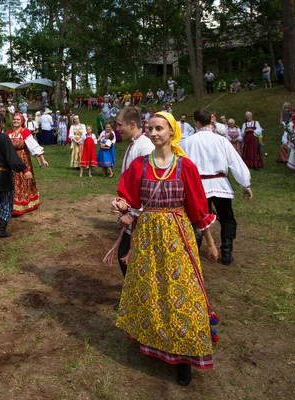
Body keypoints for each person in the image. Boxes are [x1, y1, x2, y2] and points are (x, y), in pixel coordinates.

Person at [110, 111, 219, 386]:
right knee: (149, 288)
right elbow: (128, 198)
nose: (155, 133)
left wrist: (210, 243)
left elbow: (197, 208)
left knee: (182, 290)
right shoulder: (139, 165)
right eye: (151, 128)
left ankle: (184, 357)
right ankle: (151, 339)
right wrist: (121, 205)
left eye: (160, 128)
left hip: (177, 237)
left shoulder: (186, 167)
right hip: (146, 236)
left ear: (172, 132)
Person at [183, 108, 253, 265]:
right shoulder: (222, 141)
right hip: (220, 185)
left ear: (197, 122)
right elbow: (236, 162)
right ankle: (226, 252)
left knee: (198, 217)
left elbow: (181, 165)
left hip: (198, 187)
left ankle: (195, 248)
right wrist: (245, 184)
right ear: (210, 121)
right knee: (227, 217)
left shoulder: (187, 142)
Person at [103, 107, 154, 292]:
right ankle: (136, 297)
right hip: (132, 212)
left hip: (141, 216)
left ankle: (138, 298)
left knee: (129, 256)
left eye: (120, 125)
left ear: (132, 124)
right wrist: (122, 203)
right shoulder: (135, 145)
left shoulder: (145, 147)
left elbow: (150, 187)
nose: (118, 130)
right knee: (128, 256)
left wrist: (133, 214)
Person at [7, 114, 48, 215]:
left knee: (23, 180)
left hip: (23, 160)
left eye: (18, 120)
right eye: (14, 119)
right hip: (11, 160)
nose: (16, 121)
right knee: (12, 180)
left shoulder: (25, 132)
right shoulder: (8, 132)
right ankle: (11, 203)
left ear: (22, 121)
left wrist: (43, 160)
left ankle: (25, 203)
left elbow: (34, 146)